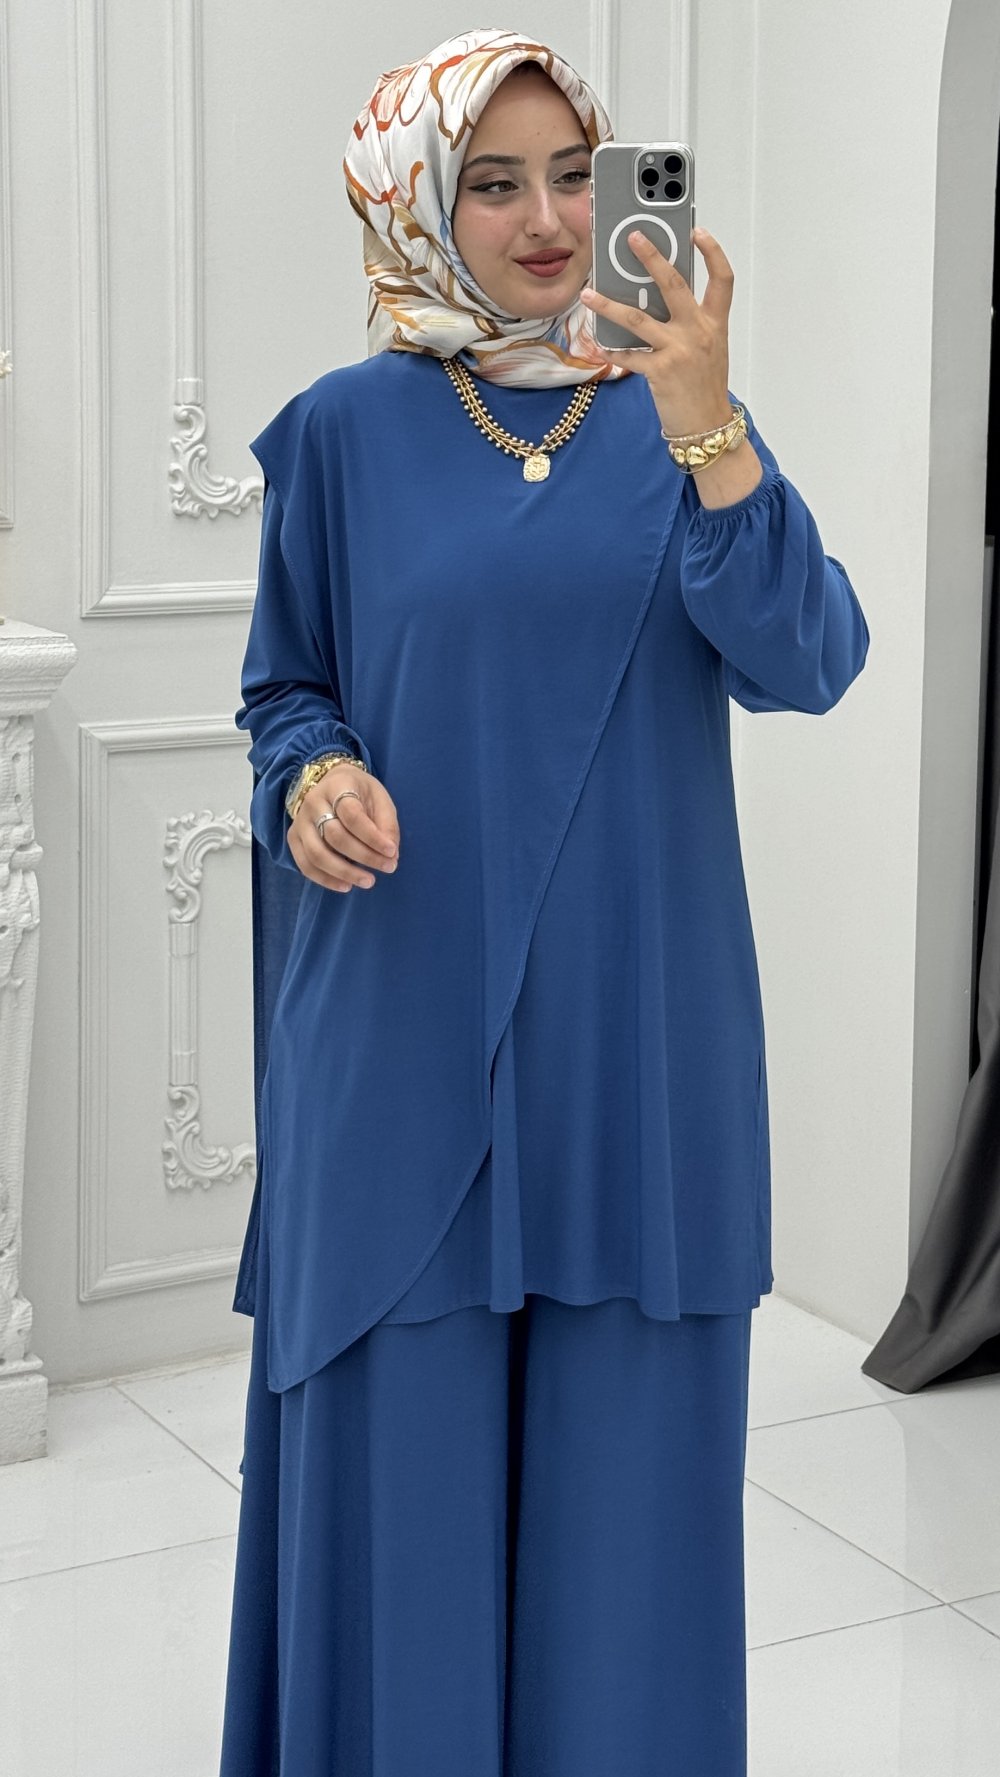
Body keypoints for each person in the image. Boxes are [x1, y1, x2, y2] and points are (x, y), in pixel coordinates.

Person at [218, 25, 870, 1777]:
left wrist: (710, 426)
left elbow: (811, 661)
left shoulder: (680, 418)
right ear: (420, 206)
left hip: (632, 1059)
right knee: (407, 1546)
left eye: (574, 175)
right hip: (400, 1042)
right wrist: (311, 780)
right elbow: (286, 691)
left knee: (626, 1558)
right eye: (493, 184)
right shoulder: (345, 433)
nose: (547, 220)